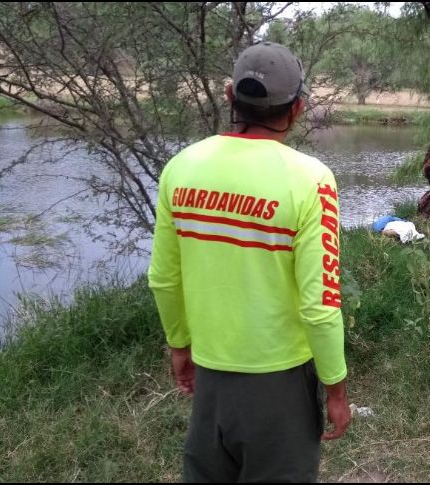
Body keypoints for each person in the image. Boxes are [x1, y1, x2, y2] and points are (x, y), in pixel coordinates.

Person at [148, 41, 350, 483]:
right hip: (281, 386)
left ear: (228, 95)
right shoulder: (311, 180)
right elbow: (320, 303)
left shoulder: (180, 168)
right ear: (296, 109)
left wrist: (180, 345)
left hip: (210, 375)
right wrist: (335, 388)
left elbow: (164, 279)